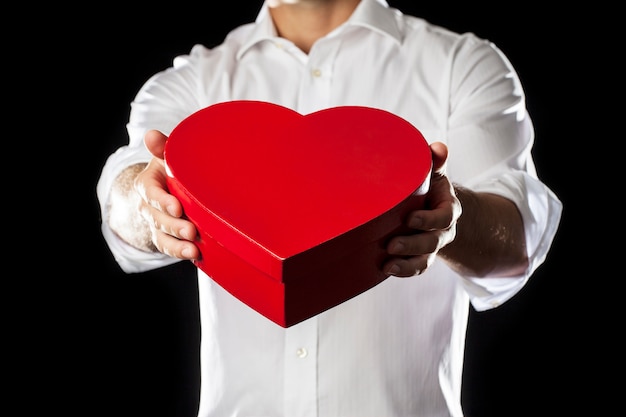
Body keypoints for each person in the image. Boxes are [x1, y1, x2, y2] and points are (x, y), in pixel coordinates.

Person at [96, 0, 562, 415]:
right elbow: (121, 200)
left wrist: (449, 216)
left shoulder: (461, 64)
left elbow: (518, 239)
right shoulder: (193, 82)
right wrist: (145, 202)